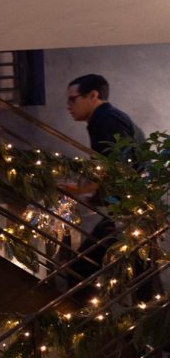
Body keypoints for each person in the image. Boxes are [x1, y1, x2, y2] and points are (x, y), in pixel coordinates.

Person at [61, 74, 142, 292]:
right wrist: (91, 191)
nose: (68, 106)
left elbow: (119, 164)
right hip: (133, 211)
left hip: (129, 212)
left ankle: (84, 319)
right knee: (142, 273)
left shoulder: (105, 119)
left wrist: (85, 188)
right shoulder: (106, 118)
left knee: (81, 270)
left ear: (93, 95)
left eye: (72, 99)